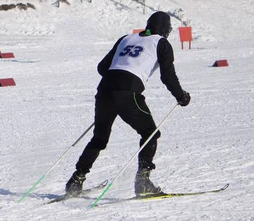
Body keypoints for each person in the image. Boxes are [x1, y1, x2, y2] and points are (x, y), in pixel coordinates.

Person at [65, 11, 191, 198]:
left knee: (99, 138)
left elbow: (102, 67)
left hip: (105, 90)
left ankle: (76, 180)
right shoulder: (161, 43)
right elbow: (167, 76)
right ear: (166, 30)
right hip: (128, 93)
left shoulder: (126, 38)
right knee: (150, 134)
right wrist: (181, 96)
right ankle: (143, 182)